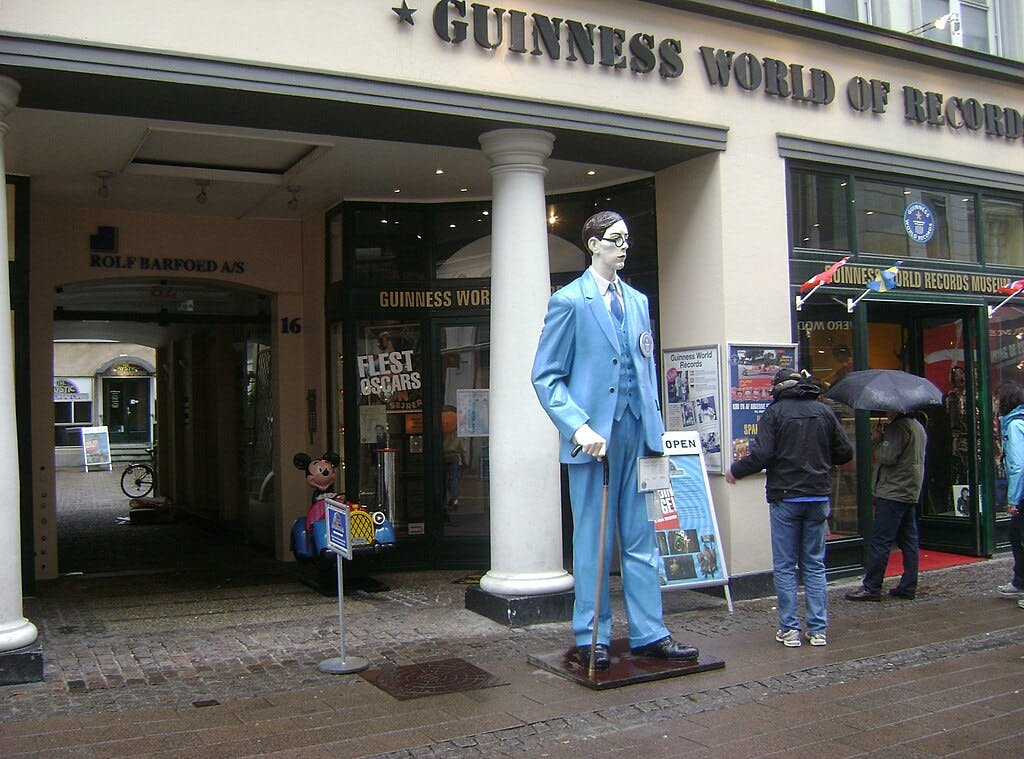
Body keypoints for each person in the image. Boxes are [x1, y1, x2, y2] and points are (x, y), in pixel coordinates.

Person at [532, 210, 699, 669]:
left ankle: (650, 631)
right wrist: (579, 427)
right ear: (593, 244)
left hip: (639, 435)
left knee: (642, 538)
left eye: (627, 238)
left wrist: (656, 433)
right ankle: (592, 634)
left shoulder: (639, 302)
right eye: (616, 238)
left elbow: (644, 368)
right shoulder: (570, 301)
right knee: (593, 542)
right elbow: (545, 377)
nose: (624, 246)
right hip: (594, 441)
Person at [725, 368, 853, 647]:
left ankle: (790, 629)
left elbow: (763, 455)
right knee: (814, 564)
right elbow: (845, 452)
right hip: (817, 496)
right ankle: (818, 630)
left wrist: (737, 470)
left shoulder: (774, 413)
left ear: (778, 389)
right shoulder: (824, 411)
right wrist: (821, 457)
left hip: (786, 497)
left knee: (785, 565)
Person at [845, 409, 927, 602]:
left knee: (881, 540)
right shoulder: (917, 427)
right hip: (909, 490)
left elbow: (887, 456)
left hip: (893, 490)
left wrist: (877, 439)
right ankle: (908, 585)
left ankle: (871, 586)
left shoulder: (899, 427)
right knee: (908, 540)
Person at [996, 382, 1024, 603]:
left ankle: (1020, 581)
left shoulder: (1014, 426)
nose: (995, 402)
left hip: (1023, 492)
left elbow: (1017, 466)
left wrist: (1013, 499)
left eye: (997, 398)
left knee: (1017, 536)